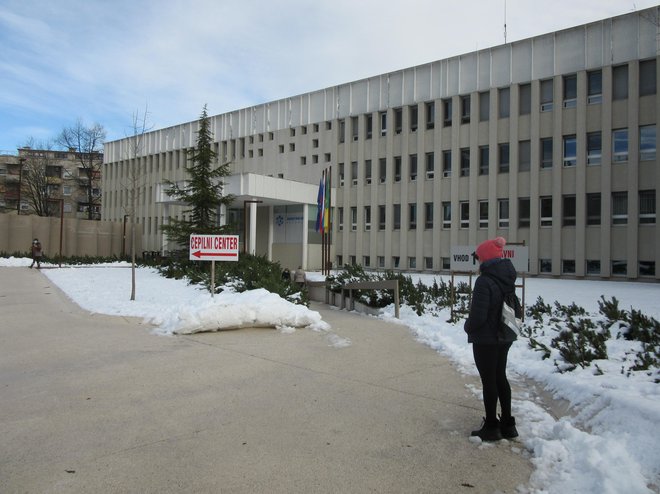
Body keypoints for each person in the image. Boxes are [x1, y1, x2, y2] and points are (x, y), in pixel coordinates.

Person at [463, 237, 519, 441]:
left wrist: (467, 326)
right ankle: (507, 424)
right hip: (504, 335)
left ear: (485, 258)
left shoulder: (484, 281)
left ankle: (491, 426)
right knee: (500, 377)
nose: (478, 262)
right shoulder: (507, 277)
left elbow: (478, 316)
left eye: (479, 258)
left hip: (486, 339)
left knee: (489, 381)